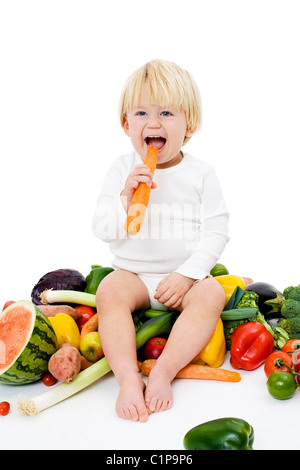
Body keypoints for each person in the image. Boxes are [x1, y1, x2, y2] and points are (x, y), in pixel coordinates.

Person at [92, 59, 229, 422]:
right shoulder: (121, 170)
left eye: (166, 112)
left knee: (212, 294)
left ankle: (164, 371)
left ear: (190, 125)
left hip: (184, 277)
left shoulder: (202, 173)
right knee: (108, 292)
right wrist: (125, 200)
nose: (153, 123)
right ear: (126, 124)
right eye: (141, 113)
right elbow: (103, 229)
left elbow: (217, 230)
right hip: (133, 275)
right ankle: (126, 378)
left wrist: (189, 274)